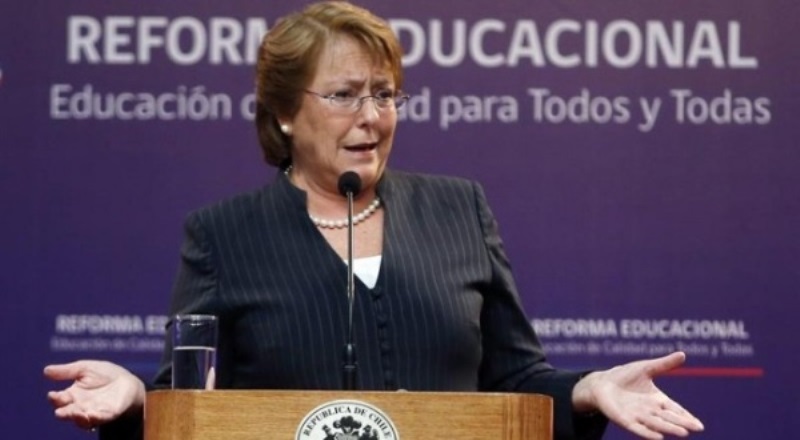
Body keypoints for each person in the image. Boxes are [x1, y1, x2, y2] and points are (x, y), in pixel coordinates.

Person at [45, 2, 704, 439]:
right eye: (344, 95)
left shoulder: (459, 209)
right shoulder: (223, 235)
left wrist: (589, 387)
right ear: (284, 113)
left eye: (385, 94)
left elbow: (516, 381)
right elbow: (189, 404)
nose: (372, 117)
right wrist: (137, 397)